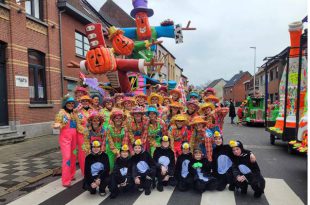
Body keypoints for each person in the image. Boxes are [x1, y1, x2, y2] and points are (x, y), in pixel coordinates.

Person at [53, 96, 77, 187]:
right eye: (69, 103)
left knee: (73, 156)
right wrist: (56, 125)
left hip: (74, 137)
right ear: (65, 104)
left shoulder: (74, 113)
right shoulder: (61, 113)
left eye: (72, 103)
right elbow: (57, 122)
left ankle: (71, 175)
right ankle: (66, 180)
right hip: (65, 138)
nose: (71, 105)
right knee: (67, 157)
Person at [75, 95, 93, 176]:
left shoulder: (92, 111)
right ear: (81, 103)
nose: (85, 102)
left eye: (87, 101)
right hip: (82, 135)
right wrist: (86, 131)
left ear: (89, 102)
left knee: (92, 152)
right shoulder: (78, 112)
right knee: (83, 154)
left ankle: (92, 170)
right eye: (83, 101)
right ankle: (84, 172)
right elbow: (78, 124)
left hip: (92, 134)